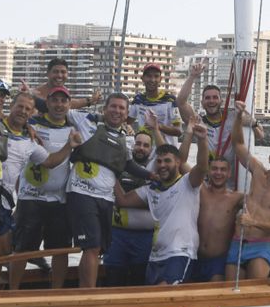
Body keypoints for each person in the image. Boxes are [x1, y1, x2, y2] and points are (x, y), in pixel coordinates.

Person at [0, 33, 78, 291]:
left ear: (33, 113)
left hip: (4, 198)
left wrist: (70, 145)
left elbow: (51, 162)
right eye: (19, 106)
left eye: (28, 108)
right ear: (9, 108)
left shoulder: (28, 139)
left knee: (0, 255)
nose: (23, 111)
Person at [64, 93, 153, 288]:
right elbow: (60, 107)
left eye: (122, 108)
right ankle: (88, 296)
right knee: (92, 246)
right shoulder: (88, 122)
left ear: (127, 113)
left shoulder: (126, 138)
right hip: (81, 193)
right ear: (104, 109)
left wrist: (151, 176)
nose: (117, 111)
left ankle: (84, 290)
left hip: (105, 198)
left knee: (96, 249)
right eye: (113, 106)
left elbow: (129, 165)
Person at [113, 123, 211, 285]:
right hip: (156, 256)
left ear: (178, 162)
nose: (162, 165)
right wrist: (111, 171)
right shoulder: (151, 189)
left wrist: (202, 140)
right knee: (150, 299)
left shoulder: (188, 183)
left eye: (167, 161)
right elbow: (122, 200)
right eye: (159, 161)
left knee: (164, 291)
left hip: (180, 253)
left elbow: (202, 167)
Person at [9, 86, 81, 290]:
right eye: (55, 100)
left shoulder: (73, 128)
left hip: (59, 200)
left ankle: (55, 292)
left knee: (60, 250)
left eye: (63, 101)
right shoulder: (31, 124)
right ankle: (12, 291)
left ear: (69, 104)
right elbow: (9, 121)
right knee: (22, 249)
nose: (59, 105)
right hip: (30, 198)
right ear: (46, 103)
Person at [225, 101, 270, 281]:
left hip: (262, 246)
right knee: (229, 291)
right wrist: (237, 117)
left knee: (254, 290)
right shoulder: (258, 171)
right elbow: (237, 144)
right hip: (238, 241)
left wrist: (252, 222)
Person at [176, 62, 264, 189]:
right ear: (202, 102)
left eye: (215, 97)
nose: (211, 101)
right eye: (207, 98)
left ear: (221, 100)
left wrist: (252, 122)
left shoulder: (234, 116)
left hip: (234, 184)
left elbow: (260, 135)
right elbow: (181, 102)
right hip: (207, 184)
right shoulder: (198, 122)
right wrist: (192, 77)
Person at [102, 130, 157, 287]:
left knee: (140, 278)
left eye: (146, 145)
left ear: (151, 149)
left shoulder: (157, 169)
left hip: (144, 237)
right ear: (132, 145)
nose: (141, 148)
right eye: (138, 144)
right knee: (113, 276)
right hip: (116, 234)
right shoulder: (119, 165)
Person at [192, 154, 243, 282]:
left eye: (223, 169)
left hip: (218, 261)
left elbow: (261, 201)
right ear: (208, 171)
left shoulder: (236, 198)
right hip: (194, 257)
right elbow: (181, 163)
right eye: (214, 168)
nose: (218, 173)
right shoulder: (200, 190)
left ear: (229, 173)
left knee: (215, 297)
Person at [128, 63, 182, 145]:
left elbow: (178, 131)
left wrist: (157, 126)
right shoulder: (138, 100)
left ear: (160, 79)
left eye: (156, 76)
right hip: (145, 153)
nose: (152, 80)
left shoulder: (170, 100)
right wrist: (128, 128)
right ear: (142, 78)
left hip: (166, 154)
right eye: (149, 76)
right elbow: (127, 121)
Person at [31, 58, 101, 114]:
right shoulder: (37, 93)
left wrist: (91, 100)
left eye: (63, 72)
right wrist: (90, 101)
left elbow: (71, 104)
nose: (60, 75)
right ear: (48, 74)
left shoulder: (65, 90)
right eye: (56, 72)